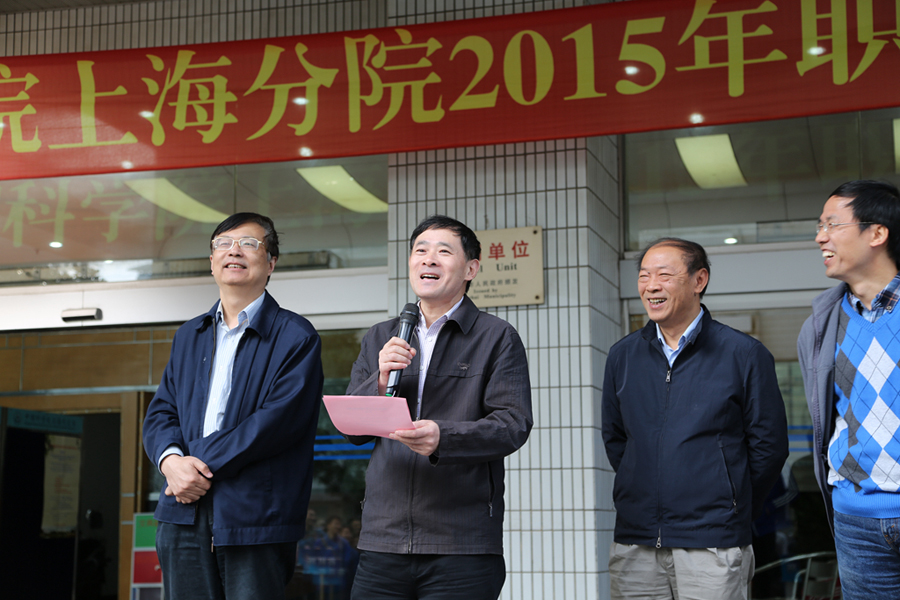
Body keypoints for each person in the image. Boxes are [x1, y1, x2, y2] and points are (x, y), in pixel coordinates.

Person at [345, 215, 533, 600]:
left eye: (443, 251)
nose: (428, 259)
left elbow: (512, 424)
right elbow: (352, 429)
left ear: (471, 269)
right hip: (383, 539)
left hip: (461, 542)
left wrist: (443, 437)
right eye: (420, 250)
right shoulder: (381, 337)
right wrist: (379, 381)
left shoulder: (496, 337)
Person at [142, 212, 324, 600]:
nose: (234, 251)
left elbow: (276, 423)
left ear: (271, 262)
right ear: (212, 261)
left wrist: (193, 464)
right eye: (223, 244)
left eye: (249, 244)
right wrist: (170, 462)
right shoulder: (189, 335)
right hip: (183, 513)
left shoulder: (296, 337)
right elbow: (161, 411)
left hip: (255, 518)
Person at [602, 237, 788, 600]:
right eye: (644, 276)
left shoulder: (743, 353)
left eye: (664, 275)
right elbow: (616, 439)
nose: (651, 286)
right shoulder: (622, 356)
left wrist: (729, 504)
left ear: (699, 280)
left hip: (713, 542)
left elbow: (769, 446)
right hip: (637, 539)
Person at [798, 180, 900, 599]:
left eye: (832, 224)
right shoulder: (820, 326)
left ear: (877, 233)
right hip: (856, 519)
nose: (820, 237)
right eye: (819, 226)